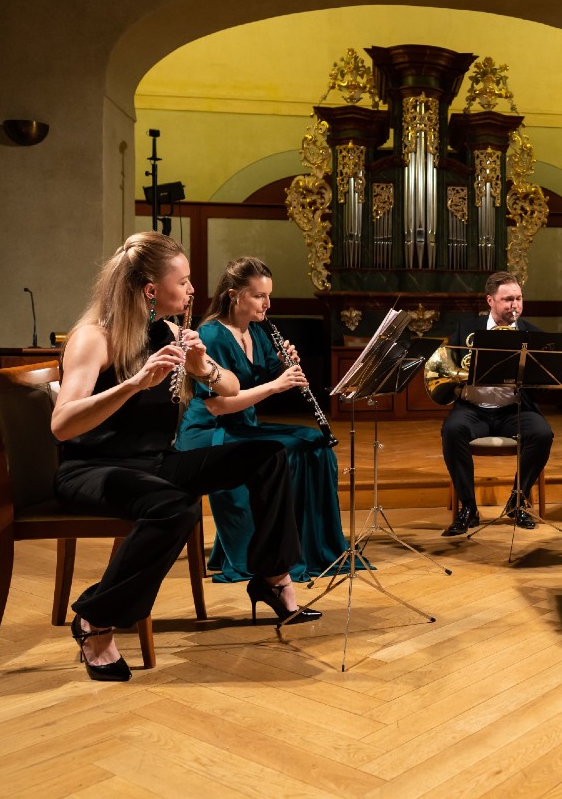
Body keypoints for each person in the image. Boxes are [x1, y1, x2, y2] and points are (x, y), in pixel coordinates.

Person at [52, 233, 320, 683]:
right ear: (151, 290)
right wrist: (134, 384)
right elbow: (62, 424)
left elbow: (230, 389)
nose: (194, 289)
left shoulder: (171, 332)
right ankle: (96, 621)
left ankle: (272, 577)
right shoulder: (94, 338)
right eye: (184, 280)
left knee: (268, 454)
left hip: (156, 462)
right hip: (92, 470)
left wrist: (203, 366)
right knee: (176, 508)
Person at [175, 257, 350, 583]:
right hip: (210, 431)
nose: (267, 303)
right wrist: (275, 384)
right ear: (234, 295)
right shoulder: (211, 335)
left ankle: (313, 547)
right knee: (288, 451)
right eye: (259, 296)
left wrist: (286, 367)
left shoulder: (256, 332)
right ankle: (269, 553)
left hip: (242, 426)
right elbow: (218, 406)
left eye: (268, 296)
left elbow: (272, 382)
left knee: (315, 442)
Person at [439, 271, 553, 536]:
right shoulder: (466, 329)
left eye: (519, 299)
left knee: (542, 433)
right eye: (507, 299)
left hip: (514, 410)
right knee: (452, 431)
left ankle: (517, 500)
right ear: (490, 301)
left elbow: (545, 382)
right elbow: (446, 366)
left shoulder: (532, 334)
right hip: (472, 410)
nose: (515, 305)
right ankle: (468, 508)